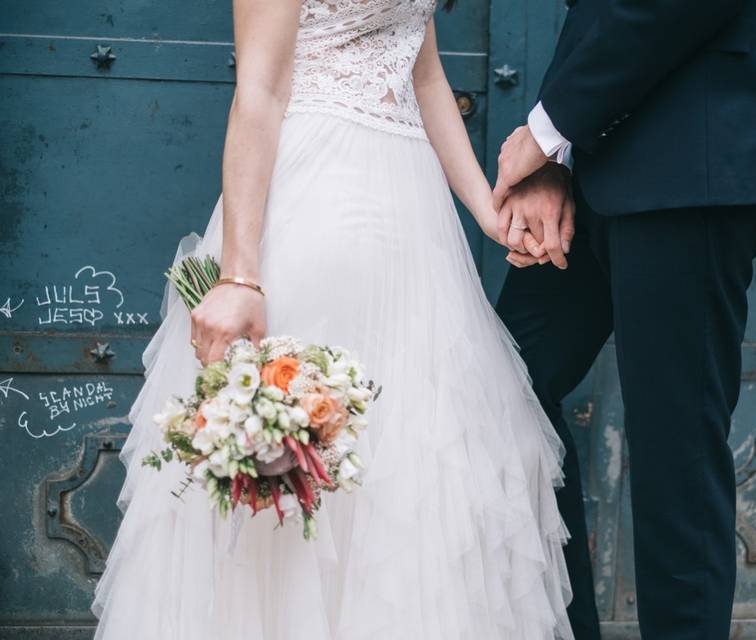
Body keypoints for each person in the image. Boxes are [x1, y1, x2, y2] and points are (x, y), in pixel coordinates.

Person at [91, 2, 573, 638]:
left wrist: (488, 212)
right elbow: (259, 91)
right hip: (318, 191)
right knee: (301, 458)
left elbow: (422, 76)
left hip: (411, 218)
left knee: (407, 461)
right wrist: (239, 276)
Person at [492, 1, 756, 638]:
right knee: (507, 381)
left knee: (676, 462)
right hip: (602, 157)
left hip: (691, 163)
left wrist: (548, 129)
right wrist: (556, 153)